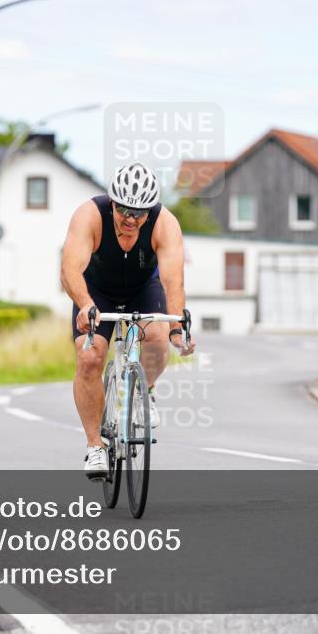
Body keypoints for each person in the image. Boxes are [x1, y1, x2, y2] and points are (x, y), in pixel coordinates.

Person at [61, 163, 196, 481]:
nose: (131, 219)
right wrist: (85, 305)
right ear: (112, 203)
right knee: (90, 357)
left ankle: (145, 390)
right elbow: (70, 270)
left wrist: (177, 327)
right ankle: (95, 446)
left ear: (150, 210)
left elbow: (172, 279)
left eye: (140, 213)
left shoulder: (165, 223)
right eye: (123, 210)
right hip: (95, 293)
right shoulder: (89, 215)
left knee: (158, 337)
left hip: (142, 289)